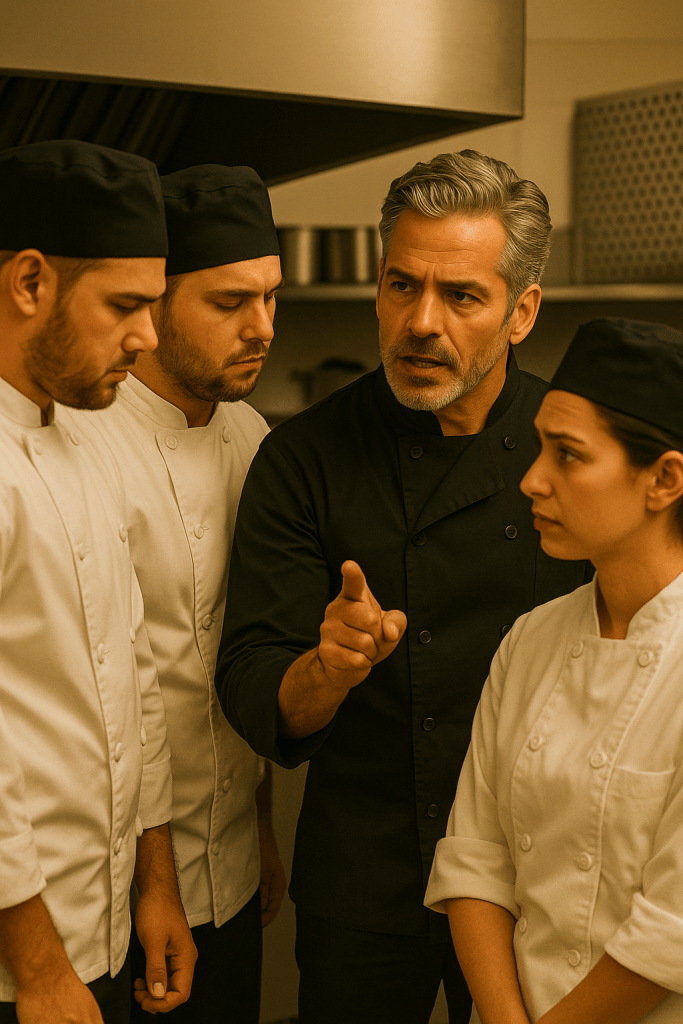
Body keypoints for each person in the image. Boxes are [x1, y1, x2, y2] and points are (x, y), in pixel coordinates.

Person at [216, 149, 590, 1023]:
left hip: (538, 875)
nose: (421, 322)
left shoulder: (569, 450)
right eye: (399, 285)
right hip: (365, 878)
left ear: (521, 311)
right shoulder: (301, 456)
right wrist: (327, 668)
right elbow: (250, 687)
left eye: (461, 296)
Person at [61, 164, 286, 1024]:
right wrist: (159, 879)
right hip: (120, 885)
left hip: (230, 862)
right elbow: (127, 686)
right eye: (228, 303)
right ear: (152, 305)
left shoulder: (254, 437)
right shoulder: (82, 440)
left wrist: (258, 823)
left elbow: (245, 647)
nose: (260, 328)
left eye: (270, 298)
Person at [425, 317, 683, 1024]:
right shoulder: (531, 639)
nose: (531, 480)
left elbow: (671, 933)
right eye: (539, 445)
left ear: (663, 479)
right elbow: (474, 858)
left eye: (566, 455)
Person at [0, 140, 196, 1024]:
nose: (149, 337)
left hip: (105, 932)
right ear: (30, 282)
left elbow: (134, 679)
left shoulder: (85, 443)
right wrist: (38, 968)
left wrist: (156, 881)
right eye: (126, 305)